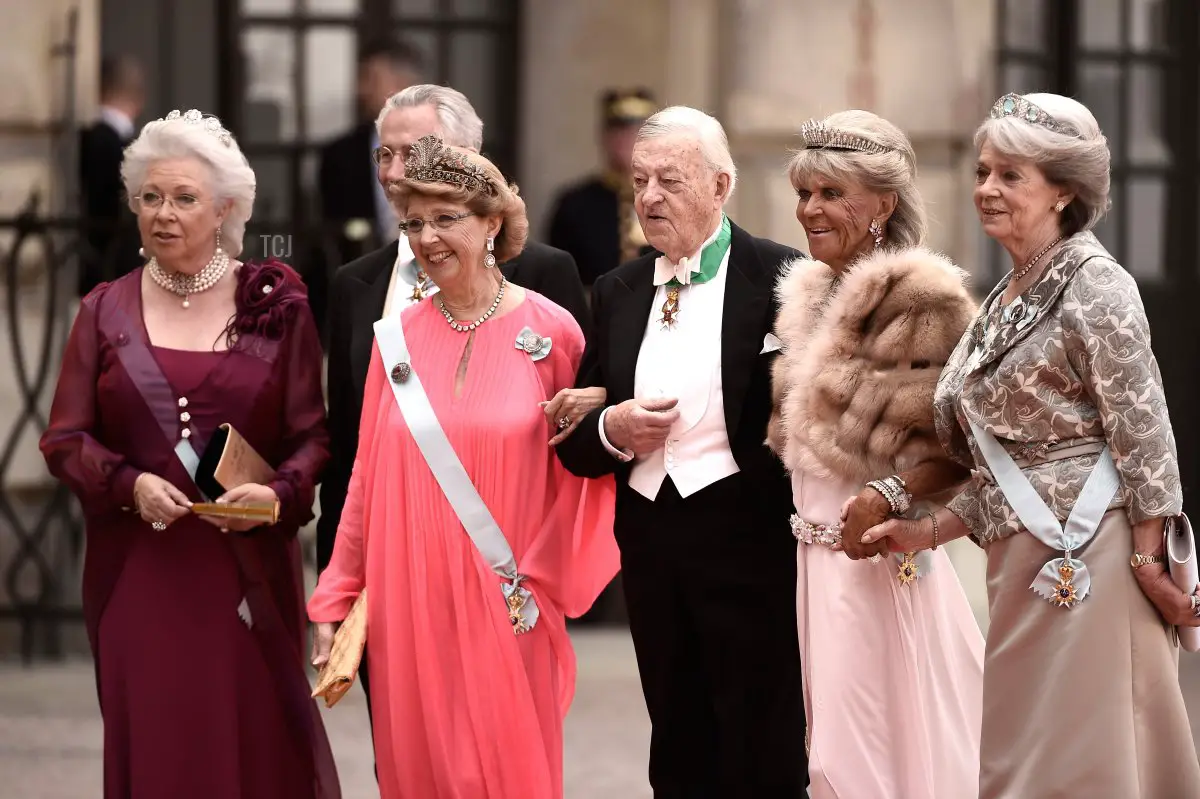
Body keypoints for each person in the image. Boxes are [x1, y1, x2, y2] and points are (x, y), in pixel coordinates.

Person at [861, 92, 1200, 797]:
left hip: (1094, 558)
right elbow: (998, 463)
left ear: (1064, 191)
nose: (986, 188)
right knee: (1022, 759)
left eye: (1010, 175)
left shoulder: (1097, 283)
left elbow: (1144, 432)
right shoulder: (1009, 293)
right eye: (983, 171)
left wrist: (1148, 557)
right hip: (1020, 560)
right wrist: (925, 532)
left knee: (1083, 760)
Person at [308, 133, 618, 799]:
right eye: (414, 223)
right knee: (416, 775)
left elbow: (586, 471)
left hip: (508, 600)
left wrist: (550, 578)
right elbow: (364, 476)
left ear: (492, 223)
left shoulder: (555, 331)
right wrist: (334, 598)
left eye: (447, 219)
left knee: (508, 778)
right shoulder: (393, 339)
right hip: (408, 600)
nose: (428, 238)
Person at [40, 109, 338, 798]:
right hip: (141, 567)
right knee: (161, 752)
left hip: (246, 572)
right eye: (150, 197)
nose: (163, 213)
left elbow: (311, 436)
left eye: (183, 198)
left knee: (255, 748)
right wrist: (127, 483)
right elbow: (65, 437)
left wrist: (279, 494)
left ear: (226, 208)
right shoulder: (103, 311)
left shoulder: (275, 303)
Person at [553, 106, 807, 796]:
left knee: (765, 746)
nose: (649, 197)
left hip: (753, 546)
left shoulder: (785, 276)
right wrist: (612, 429)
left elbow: (814, 423)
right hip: (653, 549)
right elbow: (573, 435)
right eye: (640, 180)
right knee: (677, 742)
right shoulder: (617, 289)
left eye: (670, 179)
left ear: (721, 186)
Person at [768, 110, 984, 797]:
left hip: (879, 560)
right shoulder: (803, 293)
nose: (810, 209)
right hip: (811, 566)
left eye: (832, 193)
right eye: (806, 193)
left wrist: (889, 496)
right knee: (824, 748)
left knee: (866, 754)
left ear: (883, 203)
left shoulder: (924, 299)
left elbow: (962, 448)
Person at [318, 39, 423, 265]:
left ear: (404, 84)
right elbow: (329, 237)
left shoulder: (444, 147)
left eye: (372, 80)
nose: (361, 91)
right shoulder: (339, 154)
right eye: (361, 79)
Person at [547, 88, 656, 287]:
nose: (625, 139)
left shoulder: (666, 201)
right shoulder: (574, 205)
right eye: (617, 130)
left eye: (635, 131)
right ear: (604, 136)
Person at [79, 54, 146, 296]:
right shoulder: (128, 149)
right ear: (138, 100)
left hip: (89, 267)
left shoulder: (83, 139)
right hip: (117, 269)